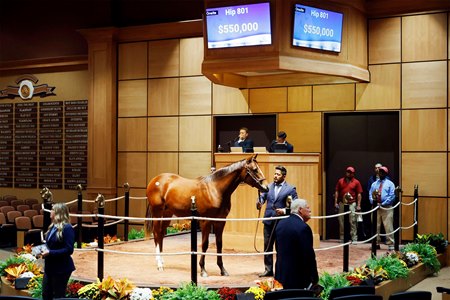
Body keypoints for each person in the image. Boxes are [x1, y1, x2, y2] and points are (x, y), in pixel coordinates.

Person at [256, 165, 297, 277]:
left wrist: (284, 210)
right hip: (269, 221)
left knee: (281, 247)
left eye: (278, 174)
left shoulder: (290, 189)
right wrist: (259, 202)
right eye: (275, 174)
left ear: (284, 176)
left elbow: (295, 205)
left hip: (282, 223)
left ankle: (280, 269)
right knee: (267, 246)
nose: (275, 176)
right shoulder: (268, 187)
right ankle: (268, 269)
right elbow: (262, 198)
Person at [275, 198, 319, 289]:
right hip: (298, 278)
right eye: (307, 208)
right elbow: (308, 256)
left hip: (281, 275)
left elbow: (278, 250)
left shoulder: (280, 224)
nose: (310, 210)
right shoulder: (303, 228)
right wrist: (314, 278)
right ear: (300, 210)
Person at [40, 202, 76, 300]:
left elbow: (69, 249)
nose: (50, 211)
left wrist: (50, 253)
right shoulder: (52, 226)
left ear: (58, 213)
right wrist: (41, 251)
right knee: (46, 295)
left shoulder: (67, 228)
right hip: (49, 268)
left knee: (58, 296)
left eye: (53, 210)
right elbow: (50, 245)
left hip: (61, 268)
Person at [369, 166, 396, 248]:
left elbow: (392, 196)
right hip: (375, 207)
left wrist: (383, 203)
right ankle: (375, 243)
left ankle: (390, 243)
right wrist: (373, 202)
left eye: (382, 172)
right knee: (375, 226)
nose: (380, 173)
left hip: (386, 207)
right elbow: (370, 194)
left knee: (388, 226)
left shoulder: (390, 184)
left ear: (386, 173)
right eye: (380, 172)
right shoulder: (374, 184)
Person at [334, 166, 363, 242]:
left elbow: (359, 194)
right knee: (341, 220)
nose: (349, 174)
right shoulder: (340, 181)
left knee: (352, 221)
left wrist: (359, 205)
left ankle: (354, 238)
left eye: (351, 172)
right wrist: (336, 202)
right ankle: (342, 237)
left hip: (352, 203)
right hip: (342, 203)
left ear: (353, 174)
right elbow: (337, 191)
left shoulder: (356, 182)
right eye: (348, 172)